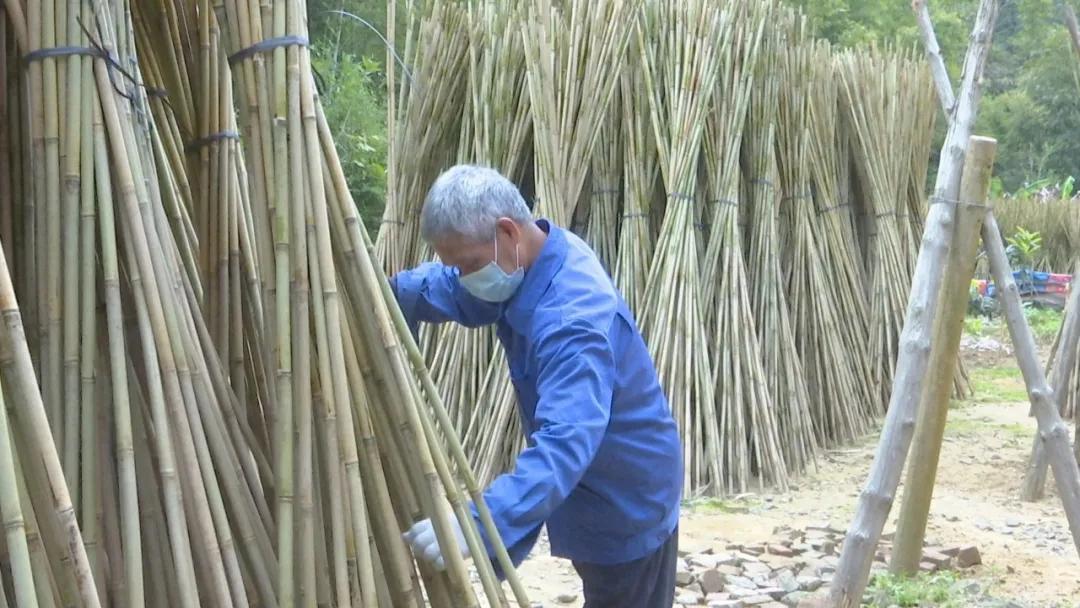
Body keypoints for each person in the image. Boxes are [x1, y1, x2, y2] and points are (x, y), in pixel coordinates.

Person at [391, 164, 683, 607]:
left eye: (467, 264)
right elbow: (454, 289)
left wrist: (476, 523)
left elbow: (564, 444)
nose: (463, 276)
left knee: (622, 592)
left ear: (507, 233)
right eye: (456, 266)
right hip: (591, 484)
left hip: (629, 491)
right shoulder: (529, 259)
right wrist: (390, 291)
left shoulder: (573, 319)